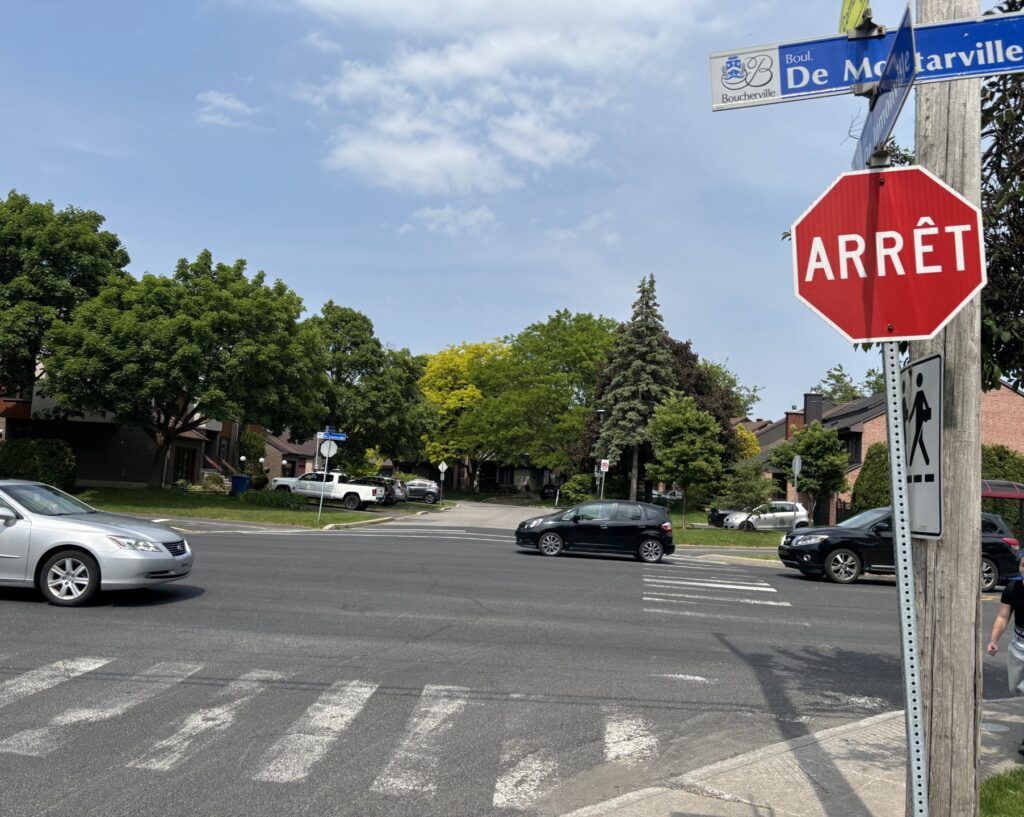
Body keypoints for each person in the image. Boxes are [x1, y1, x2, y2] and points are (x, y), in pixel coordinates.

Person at [987, 551, 1024, 757]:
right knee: (1016, 688)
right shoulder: (1012, 589)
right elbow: (1003, 617)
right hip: (1018, 648)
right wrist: (994, 640)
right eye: (1023, 565)